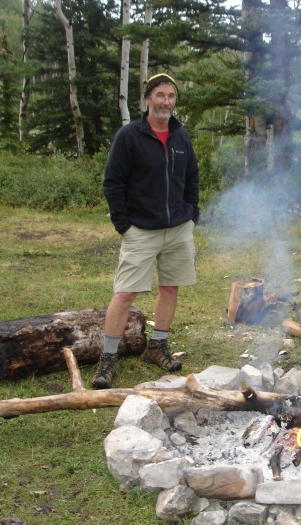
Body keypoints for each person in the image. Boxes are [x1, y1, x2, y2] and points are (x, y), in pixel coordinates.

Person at [91, 73, 199, 389]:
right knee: (125, 293)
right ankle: (107, 358)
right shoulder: (129, 136)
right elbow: (113, 182)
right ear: (147, 99)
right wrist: (123, 224)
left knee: (170, 288)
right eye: (160, 95)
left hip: (178, 228)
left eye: (171, 96)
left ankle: (157, 346)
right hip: (141, 229)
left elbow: (192, 178)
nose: (166, 101)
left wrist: (192, 214)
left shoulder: (182, 138)